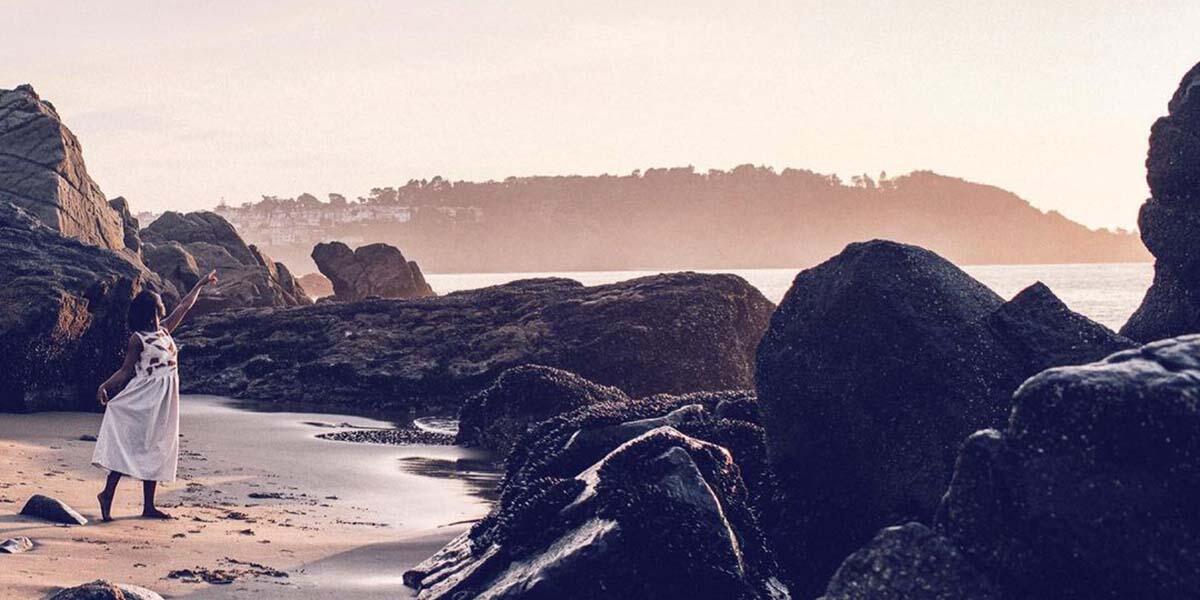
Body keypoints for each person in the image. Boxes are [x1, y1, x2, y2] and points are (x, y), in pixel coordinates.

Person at [92, 270, 218, 521]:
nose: (163, 303)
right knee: (129, 445)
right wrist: (104, 386)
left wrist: (200, 284)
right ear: (152, 310)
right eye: (159, 302)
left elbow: (184, 306)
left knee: (158, 447)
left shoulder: (165, 331)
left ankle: (148, 506)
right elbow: (126, 371)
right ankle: (107, 494)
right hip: (143, 398)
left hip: (164, 400)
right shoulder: (138, 339)